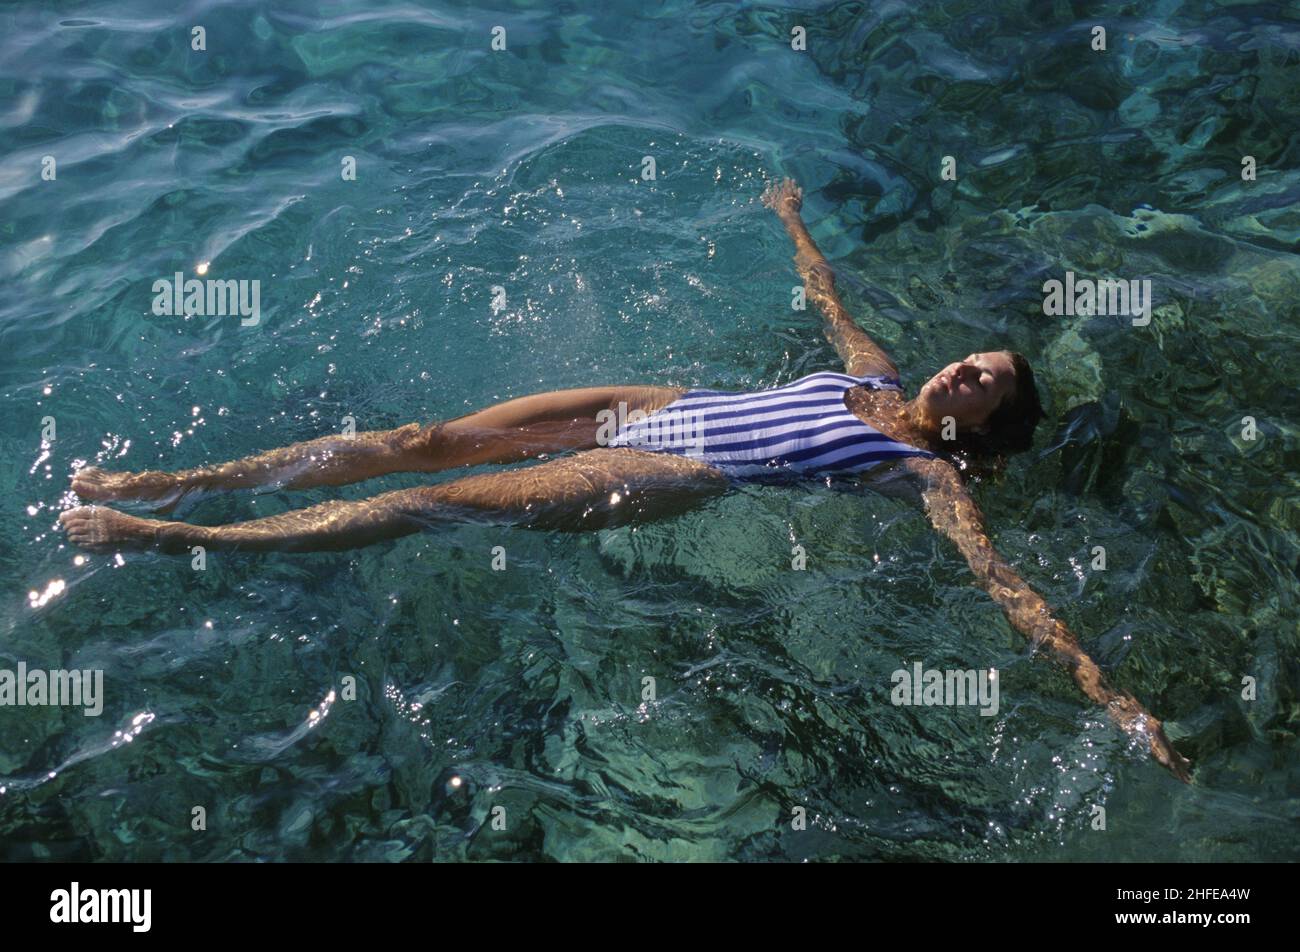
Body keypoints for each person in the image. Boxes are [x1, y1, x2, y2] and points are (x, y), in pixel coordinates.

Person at [60, 178, 1191, 780]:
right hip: (655, 399)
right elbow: (831, 303)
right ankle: (178, 481)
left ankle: (167, 538)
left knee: (422, 502)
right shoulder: (877, 376)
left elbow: (1004, 588)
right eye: (977, 358)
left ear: (986, 424)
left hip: (673, 463)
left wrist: (1113, 699)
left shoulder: (923, 473)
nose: (969, 370)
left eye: (990, 383)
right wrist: (793, 222)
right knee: (423, 437)